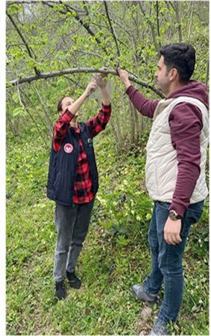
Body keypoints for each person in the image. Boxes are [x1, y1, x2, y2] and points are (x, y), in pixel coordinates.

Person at [117, 43, 208, 335]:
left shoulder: (183, 110)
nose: (155, 73)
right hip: (165, 199)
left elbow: (190, 164)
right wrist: (127, 85)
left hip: (176, 202)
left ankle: (165, 320)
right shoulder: (175, 102)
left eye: (158, 68)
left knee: (170, 262)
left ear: (171, 73)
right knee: (156, 245)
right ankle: (150, 289)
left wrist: (176, 214)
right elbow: (148, 108)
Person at [47, 74, 111, 300]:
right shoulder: (59, 134)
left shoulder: (84, 131)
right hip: (67, 200)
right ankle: (58, 280)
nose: (72, 107)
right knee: (63, 242)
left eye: (72, 103)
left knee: (78, 238)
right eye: (67, 104)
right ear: (61, 112)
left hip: (87, 197)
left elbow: (104, 117)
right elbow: (64, 120)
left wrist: (102, 88)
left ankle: (70, 270)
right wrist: (85, 93)